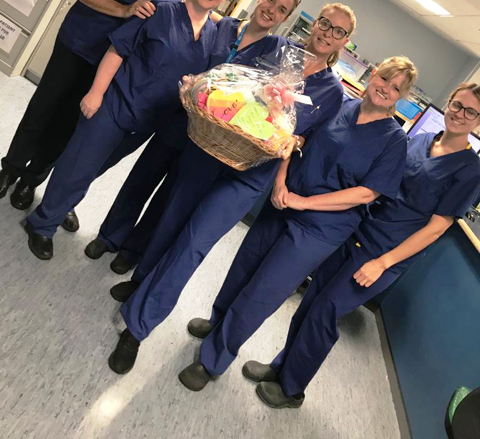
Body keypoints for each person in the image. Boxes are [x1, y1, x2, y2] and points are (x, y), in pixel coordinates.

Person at [106, 3, 358, 375]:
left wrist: (295, 141)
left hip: (248, 175)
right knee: (171, 220)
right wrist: (200, 84)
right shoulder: (275, 48)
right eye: (324, 23)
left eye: (338, 31)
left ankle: (138, 327)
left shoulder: (333, 93)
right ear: (313, 22)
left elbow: (307, 140)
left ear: (345, 42)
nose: (327, 33)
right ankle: (143, 283)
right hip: (211, 146)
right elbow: (226, 76)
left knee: (194, 243)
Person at [171, 55, 418, 391]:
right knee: (244, 268)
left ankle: (213, 358)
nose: (386, 89)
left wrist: (305, 202)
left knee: (264, 291)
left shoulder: (394, 140)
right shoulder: (342, 107)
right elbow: (297, 140)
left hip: (319, 229)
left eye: (396, 88)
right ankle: (217, 322)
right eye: (384, 79)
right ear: (373, 75)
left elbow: (365, 194)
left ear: (403, 97)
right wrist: (281, 180)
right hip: (284, 200)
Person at [238, 82, 480, 409]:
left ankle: (292, 388)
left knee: (326, 311)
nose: (460, 115)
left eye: (471, 112)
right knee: (311, 300)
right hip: (356, 229)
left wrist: (383, 262)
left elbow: (436, 228)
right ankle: (282, 366)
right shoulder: (421, 139)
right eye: (457, 105)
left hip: (384, 252)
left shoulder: (470, 170)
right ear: (449, 102)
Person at [0, 0, 206, 232]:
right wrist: (122, 10)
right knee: (46, 107)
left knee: (73, 127)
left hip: (119, 67)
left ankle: (32, 179)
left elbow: (186, 14)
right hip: (81, 42)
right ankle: (12, 167)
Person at [83, 0, 305, 271]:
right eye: (271, 0)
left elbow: (289, 84)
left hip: (213, 139)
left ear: (285, 19)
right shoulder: (222, 26)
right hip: (178, 118)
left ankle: (133, 249)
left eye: (281, 9)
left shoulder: (276, 50)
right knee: (142, 177)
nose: (272, 10)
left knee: (170, 195)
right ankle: (110, 235)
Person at [23, 0, 234, 261]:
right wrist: (95, 93)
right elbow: (117, 49)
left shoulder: (214, 36)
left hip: (147, 121)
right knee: (78, 164)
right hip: (115, 103)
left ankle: (63, 203)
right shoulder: (159, 9)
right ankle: (42, 223)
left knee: (97, 167)